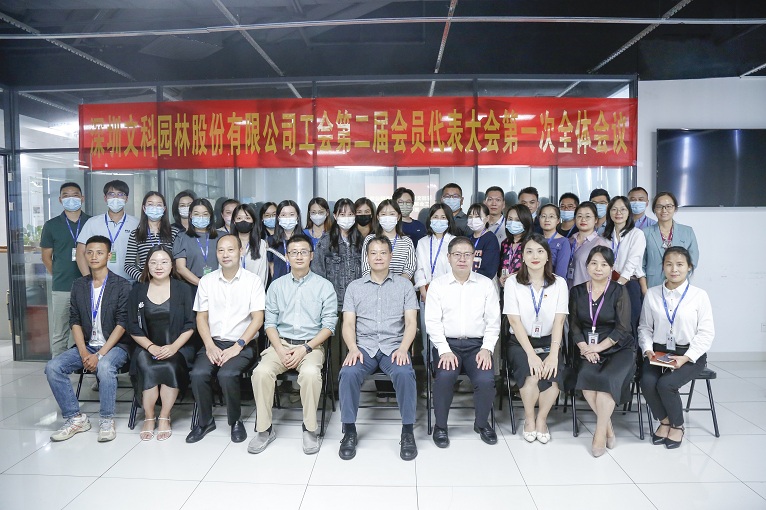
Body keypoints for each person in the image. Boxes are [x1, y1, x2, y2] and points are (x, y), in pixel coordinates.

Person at [249, 234, 338, 455]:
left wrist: (305, 348)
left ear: (311, 256)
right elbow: (269, 324)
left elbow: (329, 326)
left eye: (303, 252)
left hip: (311, 347)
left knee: (310, 374)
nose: (299, 256)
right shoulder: (276, 286)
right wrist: (280, 349)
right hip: (280, 345)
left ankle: (309, 429)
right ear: (287, 257)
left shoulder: (324, 286)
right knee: (261, 373)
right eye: (294, 252)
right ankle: (264, 430)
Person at [338, 236, 419, 461]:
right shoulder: (355, 287)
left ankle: (408, 431)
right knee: (348, 373)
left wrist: (403, 349)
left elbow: (411, 322)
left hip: (394, 347)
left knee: (405, 373)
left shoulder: (404, 286)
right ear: (367, 257)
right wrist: (352, 348)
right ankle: (349, 431)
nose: (378, 257)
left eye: (383, 252)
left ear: (390, 256)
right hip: (363, 347)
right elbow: (348, 324)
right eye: (373, 253)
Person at [45, 235, 132, 443]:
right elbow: (74, 320)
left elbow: (122, 324)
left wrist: (100, 355)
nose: (94, 256)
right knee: (53, 367)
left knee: (105, 367)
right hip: (87, 345)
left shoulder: (122, 285)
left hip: (116, 346)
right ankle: (75, 418)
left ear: (109, 256)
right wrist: (84, 352)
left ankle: (107, 419)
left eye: (100, 252)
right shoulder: (79, 285)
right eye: (90, 252)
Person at [186, 234, 265, 444]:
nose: (225, 254)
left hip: (243, 343)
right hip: (213, 342)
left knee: (227, 374)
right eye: (221, 250)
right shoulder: (207, 281)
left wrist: (238, 346)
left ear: (241, 251)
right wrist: (209, 346)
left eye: (230, 249)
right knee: (198, 373)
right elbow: (201, 317)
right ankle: (205, 421)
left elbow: (258, 319)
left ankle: (235, 421)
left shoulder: (253, 281)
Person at [425, 236, 501, 448]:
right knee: (445, 377)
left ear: (474, 257)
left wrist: (487, 349)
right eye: (457, 254)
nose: (462, 259)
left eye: (467, 254)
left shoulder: (485, 285)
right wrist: (444, 350)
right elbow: (432, 322)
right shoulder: (438, 286)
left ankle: (481, 424)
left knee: (485, 380)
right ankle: (440, 426)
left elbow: (493, 322)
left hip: (477, 346)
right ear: (448, 257)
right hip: (447, 345)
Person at [638, 247, 715, 449]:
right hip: (658, 351)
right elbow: (644, 327)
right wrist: (647, 349)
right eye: (669, 264)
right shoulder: (652, 294)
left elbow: (706, 333)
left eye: (680, 264)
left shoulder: (699, 296)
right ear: (663, 267)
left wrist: (687, 357)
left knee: (666, 384)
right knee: (647, 382)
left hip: (689, 353)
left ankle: (677, 425)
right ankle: (665, 421)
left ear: (689, 267)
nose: (674, 269)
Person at [569, 246, 636, 457]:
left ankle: (599, 434)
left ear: (611, 268)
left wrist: (597, 347)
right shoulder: (577, 291)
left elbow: (623, 328)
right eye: (594, 263)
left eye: (604, 264)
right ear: (587, 265)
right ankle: (608, 428)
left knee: (607, 382)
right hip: (587, 347)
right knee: (587, 382)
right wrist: (585, 348)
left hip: (619, 348)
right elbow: (574, 325)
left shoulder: (619, 291)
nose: (598, 268)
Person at [504, 234, 568, 444]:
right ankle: (530, 419)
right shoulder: (513, 282)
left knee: (551, 377)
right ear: (522, 256)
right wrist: (531, 355)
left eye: (540, 251)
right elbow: (514, 321)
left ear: (547, 256)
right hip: (521, 342)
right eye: (529, 251)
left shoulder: (559, 284)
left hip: (550, 341)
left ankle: (542, 420)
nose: (535, 256)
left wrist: (553, 354)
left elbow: (559, 321)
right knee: (531, 376)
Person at [127, 246, 196, 441]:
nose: (159, 266)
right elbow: (132, 326)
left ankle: (165, 416)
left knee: (170, 365)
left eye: (164, 262)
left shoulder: (183, 289)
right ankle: (149, 417)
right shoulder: (138, 290)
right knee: (146, 364)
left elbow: (191, 324)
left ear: (172, 265)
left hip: (179, 346)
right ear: (147, 265)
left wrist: (173, 347)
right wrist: (151, 347)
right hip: (146, 346)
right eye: (154, 262)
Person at [311, 198, 364, 382]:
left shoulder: (361, 241)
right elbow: (317, 273)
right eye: (342, 214)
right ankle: (334, 386)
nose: (346, 218)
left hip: (358, 304)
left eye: (350, 214)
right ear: (334, 215)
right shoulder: (325, 241)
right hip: (333, 304)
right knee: (334, 349)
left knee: (354, 345)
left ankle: (352, 383)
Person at [41, 182, 91, 357]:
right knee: (60, 332)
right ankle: (58, 368)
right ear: (60, 199)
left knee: (89, 330)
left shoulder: (92, 222)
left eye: (75, 195)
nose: (71, 199)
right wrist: (58, 274)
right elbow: (46, 257)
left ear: (82, 198)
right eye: (66, 195)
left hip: (89, 286)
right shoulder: (51, 225)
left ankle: (89, 369)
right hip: (62, 287)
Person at [76, 180, 139, 282]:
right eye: (111, 194)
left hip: (130, 281)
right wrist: (89, 279)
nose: (116, 198)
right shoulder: (92, 222)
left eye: (120, 194)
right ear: (105, 198)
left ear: (126, 199)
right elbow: (80, 252)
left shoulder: (136, 223)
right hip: (99, 281)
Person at [603, 196, 646, 333]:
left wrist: (618, 286)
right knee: (611, 324)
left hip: (629, 284)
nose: (618, 213)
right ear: (609, 212)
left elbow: (632, 262)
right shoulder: (605, 236)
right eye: (614, 209)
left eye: (623, 209)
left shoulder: (636, 234)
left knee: (630, 325)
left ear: (629, 213)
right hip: (608, 284)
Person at [642, 191, 700, 290]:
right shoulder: (645, 233)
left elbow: (693, 260)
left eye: (668, 206)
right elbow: (641, 265)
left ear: (675, 208)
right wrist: (644, 289)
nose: (664, 210)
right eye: (659, 207)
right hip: (654, 285)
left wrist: (679, 275)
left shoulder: (687, 231)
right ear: (654, 209)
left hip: (680, 284)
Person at [124, 191, 180, 281]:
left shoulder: (174, 232)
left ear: (164, 208)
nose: (154, 208)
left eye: (159, 205)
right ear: (144, 208)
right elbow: (128, 265)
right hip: (145, 282)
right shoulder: (136, 234)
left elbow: (179, 262)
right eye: (150, 204)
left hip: (169, 282)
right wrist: (144, 279)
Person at [361, 199, 416, 280]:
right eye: (383, 214)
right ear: (378, 217)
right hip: (373, 285)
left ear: (398, 217)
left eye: (392, 214)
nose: (387, 218)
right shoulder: (370, 239)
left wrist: (396, 284)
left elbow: (409, 268)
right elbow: (366, 269)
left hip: (400, 285)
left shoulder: (407, 241)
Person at [173, 198, 220, 293]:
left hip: (218, 285)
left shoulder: (222, 237)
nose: (201, 217)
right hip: (192, 287)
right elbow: (180, 268)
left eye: (205, 214)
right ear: (190, 215)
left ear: (210, 216)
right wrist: (201, 284)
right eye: (196, 214)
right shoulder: (181, 237)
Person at [414, 204, 458, 298]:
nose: (439, 220)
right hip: (427, 291)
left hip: (450, 292)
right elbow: (419, 269)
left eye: (443, 217)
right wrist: (423, 292)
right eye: (435, 217)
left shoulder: (456, 242)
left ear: (449, 220)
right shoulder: (422, 242)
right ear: (430, 219)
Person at [566, 202, 610, 289]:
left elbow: (606, 275)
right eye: (579, 216)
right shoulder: (569, 241)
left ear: (596, 219)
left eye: (588, 216)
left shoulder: (600, 244)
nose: (583, 220)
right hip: (566, 291)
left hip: (587, 293)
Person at [231, 203, 269, 288]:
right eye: (239, 218)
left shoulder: (261, 244)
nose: (243, 221)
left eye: (247, 218)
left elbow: (263, 273)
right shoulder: (228, 243)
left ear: (253, 222)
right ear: (234, 221)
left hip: (255, 291)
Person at [498, 204, 533, 288]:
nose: (513, 223)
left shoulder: (532, 243)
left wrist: (514, 276)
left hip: (525, 288)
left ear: (526, 222)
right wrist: (501, 277)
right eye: (510, 219)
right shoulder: (505, 243)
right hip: (506, 288)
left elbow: (535, 269)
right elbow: (501, 266)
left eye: (517, 220)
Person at [267, 200, 302, 282]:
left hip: (301, 284)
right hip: (278, 285)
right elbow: (271, 266)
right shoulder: (271, 240)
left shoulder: (305, 240)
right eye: (283, 215)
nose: (287, 218)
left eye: (291, 214)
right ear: (278, 218)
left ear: (297, 217)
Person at [466, 203, 501, 280]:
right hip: (466, 282)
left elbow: (489, 269)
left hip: (483, 282)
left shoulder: (490, 239)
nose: (473, 220)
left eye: (477, 216)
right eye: (470, 217)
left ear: (487, 218)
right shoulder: (467, 239)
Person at [538, 204, 572, 279]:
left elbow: (561, 272)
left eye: (551, 216)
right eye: (543, 216)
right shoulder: (535, 240)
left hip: (553, 283)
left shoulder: (563, 242)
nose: (547, 219)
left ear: (558, 220)